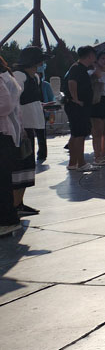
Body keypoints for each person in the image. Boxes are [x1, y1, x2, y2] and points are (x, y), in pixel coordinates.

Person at [12, 48, 45, 217]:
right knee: (19, 166)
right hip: (20, 128)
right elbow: (14, 101)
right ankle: (14, 204)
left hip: (30, 126)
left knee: (27, 166)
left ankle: (20, 203)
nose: (42, 63)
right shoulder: (20, 76)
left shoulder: (35, 77)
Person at [0, 56, 24, 236]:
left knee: (2, 181)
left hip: (3, 134)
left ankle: (8, 220)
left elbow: (5, 106)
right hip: (7, 133)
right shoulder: (7, 77)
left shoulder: (2, 78)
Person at [63, 46, 97, 172]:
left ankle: (73, 163)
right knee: (80, 135)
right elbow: (72, 83)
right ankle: (81, 163)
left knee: (75, 133)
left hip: (78, 105)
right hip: (77, 106)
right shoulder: (77, 68)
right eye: (94, 55)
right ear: (89, 55)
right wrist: (76, 99)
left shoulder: (82, 68)